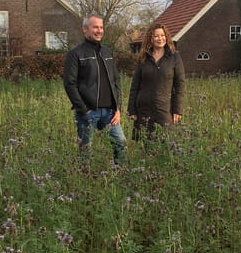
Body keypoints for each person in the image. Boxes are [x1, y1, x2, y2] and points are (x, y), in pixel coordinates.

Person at [63, 14, 127, 166]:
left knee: (121, 144)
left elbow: (116, 80)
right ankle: (84, 178)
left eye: (101, 27)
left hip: (110, 113)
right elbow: (69, 84)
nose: (99, 31)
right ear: (85, 29)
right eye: (95, 27)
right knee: (86, 150)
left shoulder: (107, 52)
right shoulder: (75, 54)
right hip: (88, 113)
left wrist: (118, 108)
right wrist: (84, 110)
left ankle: (121, 174)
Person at [128, 23, 186, 141]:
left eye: (163, 35)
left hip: (164, 109)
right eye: (156, 36)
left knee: (165, 144)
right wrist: (132, 109)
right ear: (151, 38)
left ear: (167, 37)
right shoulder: (143, 58)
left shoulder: (174, 57)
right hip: (143, 109)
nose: (160, 39)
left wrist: (177, 109)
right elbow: (135, 85)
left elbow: (180, 85)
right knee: (146, 144)